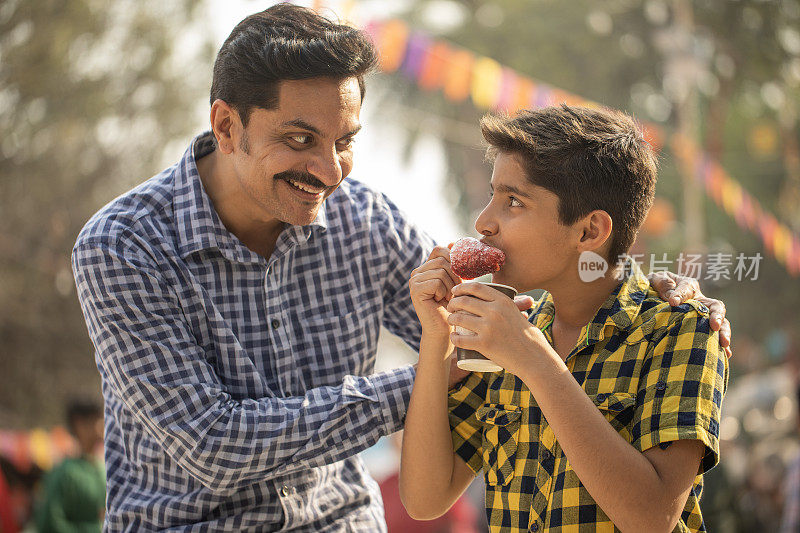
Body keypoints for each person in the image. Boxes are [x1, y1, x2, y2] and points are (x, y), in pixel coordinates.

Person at [71, 4, 731, 530]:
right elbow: (213, 445)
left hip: (340, 521)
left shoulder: (361, 217)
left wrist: (624, 281)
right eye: (300, 139)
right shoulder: (123, 246)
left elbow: (496, 296)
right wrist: (430, 376)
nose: (330, 172)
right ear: (226, 124)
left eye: (346, 141)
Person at [401, 105, 729, 532]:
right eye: (492, 195)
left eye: (513, 202)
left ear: (589, 232)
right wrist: (436, 336)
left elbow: (654, 517)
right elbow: (424, 499)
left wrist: (536, 361)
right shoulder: (509, 333)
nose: (483, 221)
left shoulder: (681, 328)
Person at [35, 400, 105, 533]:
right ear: (80, 425)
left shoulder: (103, 469)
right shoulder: (64, 473)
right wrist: (98, 528)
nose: (103, 425)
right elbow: (50, 524)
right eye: (98, 420)